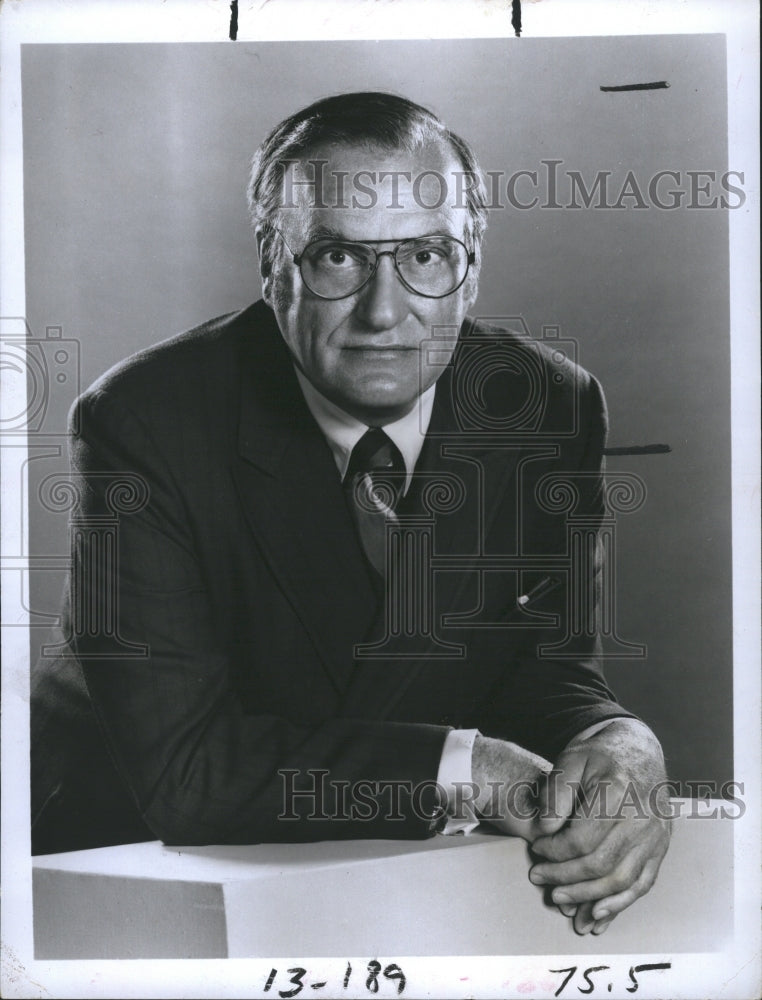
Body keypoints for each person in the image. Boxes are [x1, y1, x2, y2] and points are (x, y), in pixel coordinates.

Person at [31, 91, 670, 935]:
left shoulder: (546, 403)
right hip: (133, 876)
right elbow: (189, 774)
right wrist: (466, 771)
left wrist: (620, 737)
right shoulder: (147, 420)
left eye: (427, 257)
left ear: (471, 267)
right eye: (338, 257)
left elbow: (546, 665)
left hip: (389, 867)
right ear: (272, 261)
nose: (383, 312)